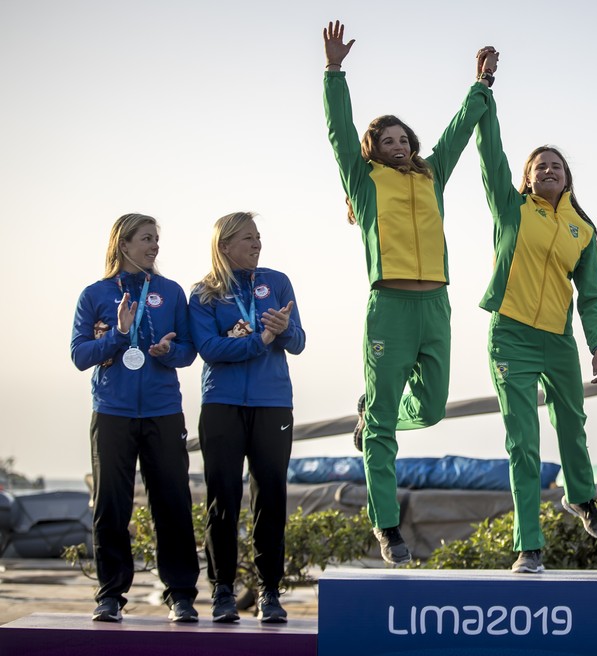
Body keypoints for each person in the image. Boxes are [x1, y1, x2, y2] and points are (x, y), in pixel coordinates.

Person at [321, 20, 494, 565]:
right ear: (373, 150)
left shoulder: (431, 175)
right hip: (389, 308)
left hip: (434, 304)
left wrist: (481, 85)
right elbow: (339, 131)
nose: (398, 146)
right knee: (381, 432)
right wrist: (333, 72)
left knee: (435, 406)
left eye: (404, 140)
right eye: (387, 141)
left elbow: (460, 132)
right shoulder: (363, 180)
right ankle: (387, 527)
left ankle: (372, 412)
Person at [474, 64, 597, 575]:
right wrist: (483, 92)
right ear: (527, 176)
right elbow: (490, 155)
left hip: (558, 339)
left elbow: (592, 294)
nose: (548, 170)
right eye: (539, 166)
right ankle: (527, 546)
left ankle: (582, 498)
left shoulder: (581, 228)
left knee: (572, 424)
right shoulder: (511, 209)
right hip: (510, 333)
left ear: (567, 177)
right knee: (524, 442)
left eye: (556, 165)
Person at [70, 213, 200, 623]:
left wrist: (167, 353)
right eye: (147, 239)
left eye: (156, 240)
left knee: (173, 504)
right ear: (123, 244)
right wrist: (118, 335)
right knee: (111, 505)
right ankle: (110, 595)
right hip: (112, 412)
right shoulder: (94, 295)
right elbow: (79, 356)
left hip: (163, 411)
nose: (155, 246)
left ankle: (180, 595)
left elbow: (188, 352)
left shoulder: (171, 292)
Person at [189, 212, 304, 623]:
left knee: (271, 498)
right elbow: (210, 349)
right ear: (224, 246)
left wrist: (284, 330)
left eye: (259, 237)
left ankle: (270, 592)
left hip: (273, 402)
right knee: (223, 500)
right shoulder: (203, 293)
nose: (257, 244)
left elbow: (300, 341)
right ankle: (222, 591)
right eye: (247, 238)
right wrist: (262, 340)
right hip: (221, 404)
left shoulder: (278, 282)